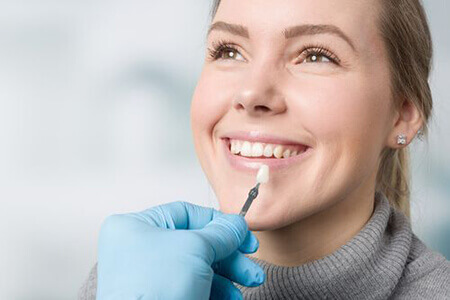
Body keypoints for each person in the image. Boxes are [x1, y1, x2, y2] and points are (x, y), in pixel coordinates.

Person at [79, 0, 450, 299]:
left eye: (316, 56)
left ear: (402, 115)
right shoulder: (126, 283)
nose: (252, 93)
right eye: (230, 51)